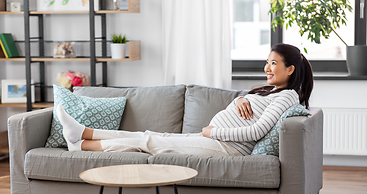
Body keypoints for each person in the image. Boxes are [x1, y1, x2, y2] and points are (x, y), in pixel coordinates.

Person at [57, 43, 313, 156]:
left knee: (149, 142)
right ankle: (84, 133)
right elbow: (251, 108)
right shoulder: (273, 92)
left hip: (227, 148)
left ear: (290, 69)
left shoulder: (288, 96)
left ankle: (81, 145)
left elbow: (257, 130)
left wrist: (215, 132)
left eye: (274, 63)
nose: (267, 68)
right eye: (267, 62)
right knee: (148, 135)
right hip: (216, 141)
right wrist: (239, 101)